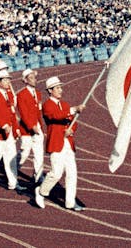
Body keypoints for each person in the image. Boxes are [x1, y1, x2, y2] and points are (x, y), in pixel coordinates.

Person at [35, 76, 85, 211]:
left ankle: (70, 202)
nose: (60, 90)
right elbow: (55, 116)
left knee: (72, 173)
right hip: (56, 143)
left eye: (60, 87)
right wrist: (73, 110)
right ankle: (41, 191)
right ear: (50, 90)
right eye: (57, 88)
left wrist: (71, 130)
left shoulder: (65, 105)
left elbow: (73, 122)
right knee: (56, 173)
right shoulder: (47, 105)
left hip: (68, 143)